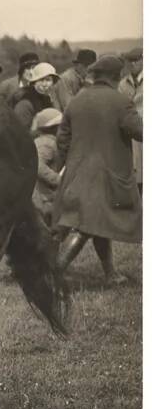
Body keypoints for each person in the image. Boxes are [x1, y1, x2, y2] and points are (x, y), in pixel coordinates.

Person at [53, 56, 142, 285]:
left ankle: (110, 274)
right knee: (86, 227)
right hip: (106, 176)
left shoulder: (77, 101)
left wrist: (66, 164)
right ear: (116, 76)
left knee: (94, 222)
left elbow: (62, 139)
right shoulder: (122, 102)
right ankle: (53, 272)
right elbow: (140, 131)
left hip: (77, 173)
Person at [30, 107, 63, 227]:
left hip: (43, 196)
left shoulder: (43, 142)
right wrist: (58, 180)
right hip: (43, 197)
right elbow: (38, 166)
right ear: (54, 128)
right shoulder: (46, 144)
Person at [119, 47, 142, 194]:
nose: (133, 64)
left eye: (136, 60)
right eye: (130, 61)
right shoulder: (122, 84)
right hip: (131, 133)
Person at [12, 62, 58, 128]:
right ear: (34, 81)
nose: (44, 84)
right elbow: (20, 132)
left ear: (53, 82)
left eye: (48, 80)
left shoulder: (47, 99)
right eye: (41, 80)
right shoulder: (25, 103)